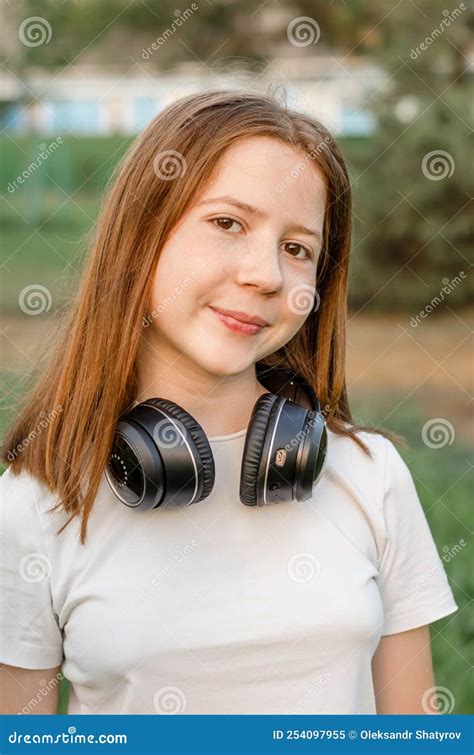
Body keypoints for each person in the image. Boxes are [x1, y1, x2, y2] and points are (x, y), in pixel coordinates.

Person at [0, 90, 458, 715]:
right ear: (142, 236)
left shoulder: (371, 473)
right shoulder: (38, 500)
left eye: (297, 249)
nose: (266, 274)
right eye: (228, 224)